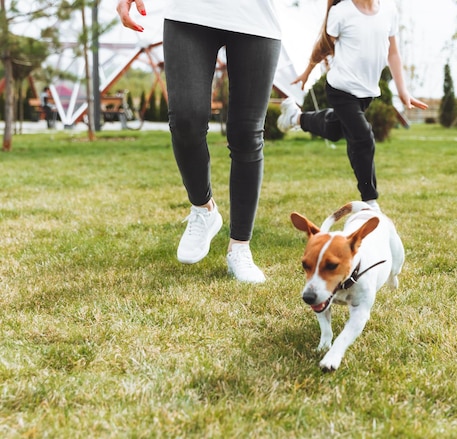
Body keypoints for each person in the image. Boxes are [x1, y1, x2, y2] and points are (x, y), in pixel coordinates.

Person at [116, 0, 282, 283]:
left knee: (246, 133)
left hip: (256, 16)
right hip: (190, 12)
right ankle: (203, 209)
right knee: (185, 121)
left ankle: (239, 247)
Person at [278, 0, 428, 211]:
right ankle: (369, 201)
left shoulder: (388, 10)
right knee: (362, 137)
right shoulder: (341, 12)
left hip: (366, 93)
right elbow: (323, 46)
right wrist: (306, 73)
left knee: (333, 129)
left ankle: (295, 117)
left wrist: (403, 92)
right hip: (341, 89)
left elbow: (393, 53)